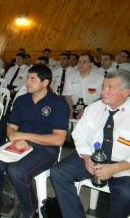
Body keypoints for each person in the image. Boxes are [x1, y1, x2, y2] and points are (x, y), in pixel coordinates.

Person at [0, 64, 69, 218]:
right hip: (19, 144)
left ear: (45, 83)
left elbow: (59, 139)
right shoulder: (22, 100)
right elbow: (11, 127)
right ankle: (2, 202)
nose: (27, 82)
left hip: (46, 149)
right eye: (28, 78)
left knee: (17, 171)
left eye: (32, 79)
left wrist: (25, 137)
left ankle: (31, 212)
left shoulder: (58, 103)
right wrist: (14, 138)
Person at [50, 69, 130, 218]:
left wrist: (116, 167)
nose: (103, 91)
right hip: (92, 157)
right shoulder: (94, 108)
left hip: (124, 164)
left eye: (110, 88)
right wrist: (87, 157)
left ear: (126, 92)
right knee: (58, 172)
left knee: (126, 193)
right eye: (103, 86)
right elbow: (78, 133)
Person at [63, 53, 104, 118]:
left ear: (91, 64)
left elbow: (102, 97)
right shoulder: (70, 78)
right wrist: (70, 110)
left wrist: (87, 109)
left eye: (84, 62)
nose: (80, 64)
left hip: (93, 110)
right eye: (79, 62)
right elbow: (67, 96)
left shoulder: (100, 79)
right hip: (74, 110)